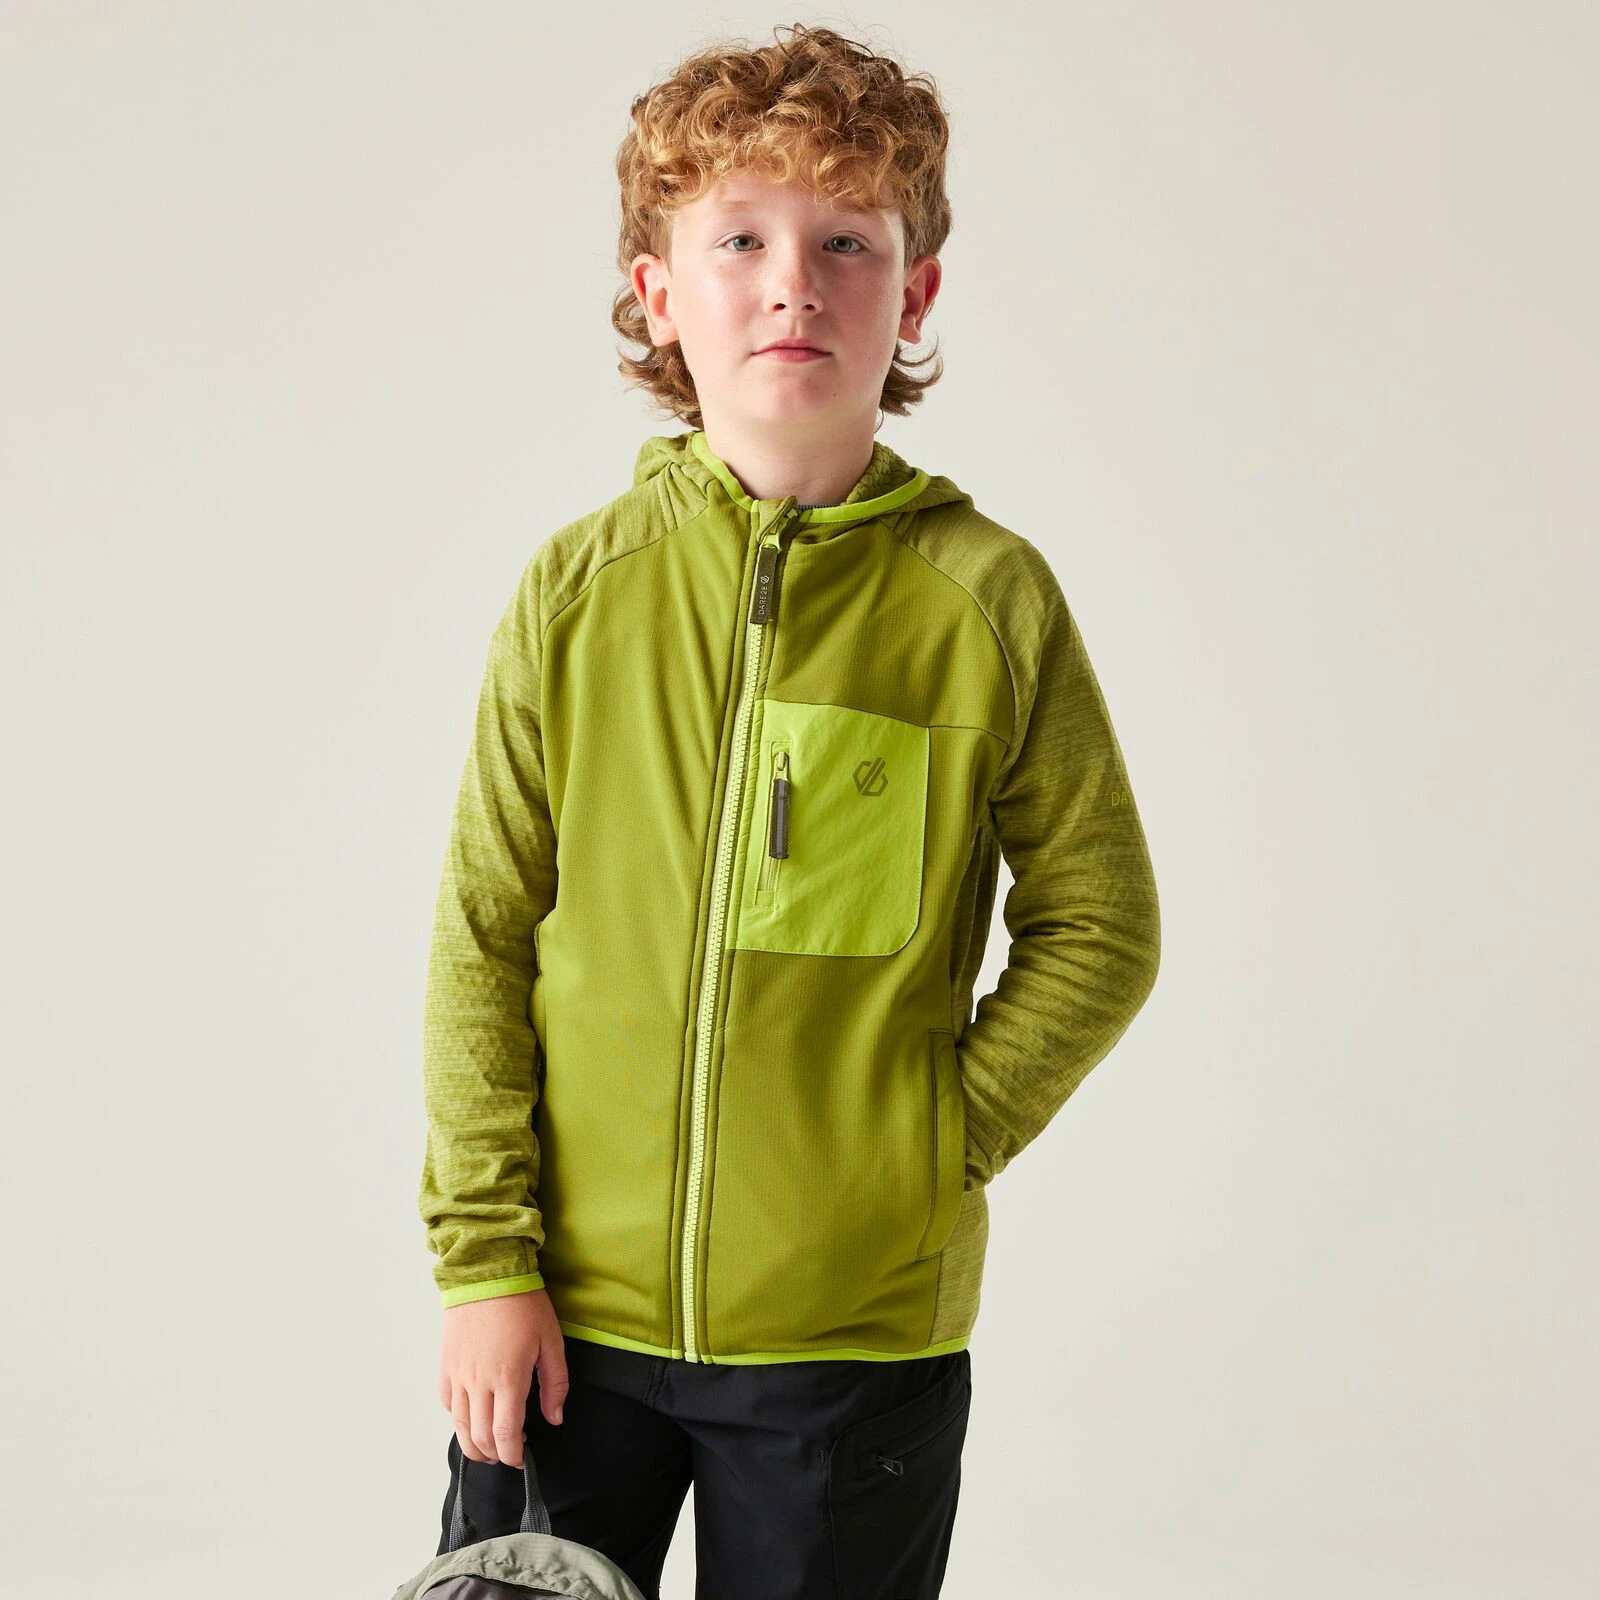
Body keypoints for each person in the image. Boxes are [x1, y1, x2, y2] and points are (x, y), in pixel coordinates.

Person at [417, 21, 1161, 1599]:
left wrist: (932, 1145)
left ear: (915, 295)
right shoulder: (578, 592)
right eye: (740, 239)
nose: (792, 285)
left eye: (846, 243)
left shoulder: (986, 601)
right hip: (561, 1332)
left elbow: (1102, 925)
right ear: (656, 292)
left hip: (850, 1345)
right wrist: (484, 1265)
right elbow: (485, 935)